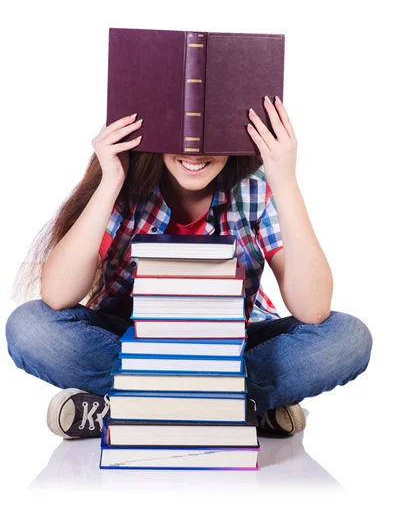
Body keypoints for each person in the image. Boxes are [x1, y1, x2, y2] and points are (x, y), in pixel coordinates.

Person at [5, 96, 373, 440]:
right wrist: (110, 180)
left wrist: (286, 180)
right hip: (134, 345)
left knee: (348, 338)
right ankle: (237, 409)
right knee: (29, 327)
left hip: (231, 347)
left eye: (208, 134)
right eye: (183, 133)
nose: (194, 151)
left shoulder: (254, 190)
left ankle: (134, 407)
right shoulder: (128, 188)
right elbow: (55, 295)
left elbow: (313, 308)